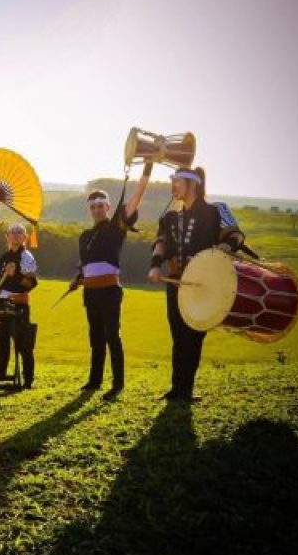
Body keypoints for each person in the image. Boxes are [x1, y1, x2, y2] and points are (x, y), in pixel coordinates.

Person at [148, 167, 245, 402]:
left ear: (192, 184)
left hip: (204, 285)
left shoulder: (214, 211)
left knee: (193, 337)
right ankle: (176, 389)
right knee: (178, 336)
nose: (173, 185)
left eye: (177, 181)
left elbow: (236, 236)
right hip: (175, 283)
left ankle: (186, 390)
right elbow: (161, 244)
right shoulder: (169, 218)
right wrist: (154, 265)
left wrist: (223, 249)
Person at [72, 163, 153, 400]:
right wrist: (78, 278)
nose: (97, 210)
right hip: (90, 293)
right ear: (90, 209)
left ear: (108, 207)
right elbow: (85, 264)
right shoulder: (84, 236)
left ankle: (117, 385)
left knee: (112, 337)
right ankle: (94, 381)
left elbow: (136, 197)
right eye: (93, 207)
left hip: (109, 291)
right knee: (95, 338)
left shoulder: (116, 227)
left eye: (101, 206)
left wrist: (146, 172)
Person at [0, 218, 39, 389]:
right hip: (1, 305)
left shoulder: (27, 256)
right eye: (13, 232)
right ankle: (0, 372)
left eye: (20, 232)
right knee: (1, 339)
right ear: (7, 237)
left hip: (19, 305)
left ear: (25, 237)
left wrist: (16, 274)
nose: (16, 235)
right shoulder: (3, 258)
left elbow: (31, 284)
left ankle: (28, 378)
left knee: (23, 343)